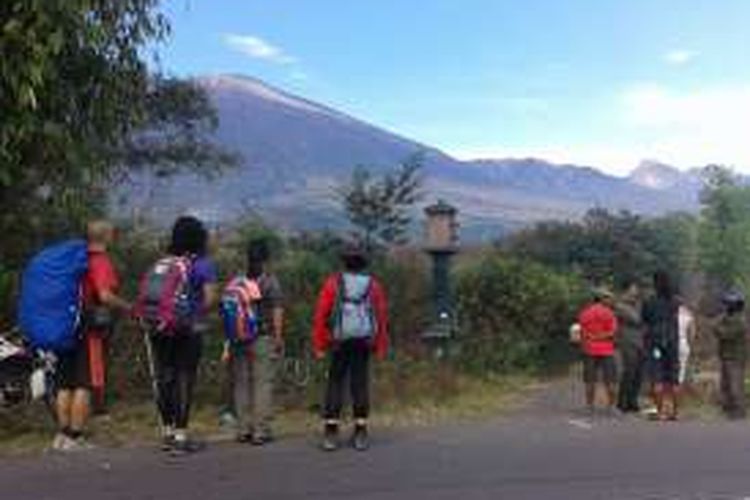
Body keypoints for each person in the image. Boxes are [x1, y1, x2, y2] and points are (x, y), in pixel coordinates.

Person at [53, 220, 131, 451]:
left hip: (66, 326)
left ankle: (62, 435)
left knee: (64, 382)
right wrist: (128, 306)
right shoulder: (100, 261)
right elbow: (105, 296)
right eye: (113, 233)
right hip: (89, 329)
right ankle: (75, 438)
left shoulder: (74, 259)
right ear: (107, 236)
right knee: (85, 382)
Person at [149, 216, 218, 454]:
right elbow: (209, 299)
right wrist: (194, 312)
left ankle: (167, 432)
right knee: (184, 378)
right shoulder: (203, 264)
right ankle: (181, 436)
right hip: (188, 328)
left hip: (159, 327)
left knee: (165, 376)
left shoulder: (165, 261)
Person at [312, 244, 389, 452]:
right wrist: (380, 345)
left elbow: (321, 315)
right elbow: (381, 317)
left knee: (335, 383)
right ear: (363, 264)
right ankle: (360, 431)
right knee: (359, 384)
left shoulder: (333, 283)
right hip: (363, 341)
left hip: (338, 341)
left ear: (344, 263)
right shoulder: (373, 286)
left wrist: (319, 344)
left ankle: (331, 432)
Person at [224, 238, 284, 445]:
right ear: (266, 258)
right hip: (262, 336)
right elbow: (277, 310)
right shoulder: (269, 281)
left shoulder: (237, 280)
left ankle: (243, 429)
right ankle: (261, 430)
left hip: (238, 338)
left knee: (241, 382)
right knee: (262, 383)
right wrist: (278, 336)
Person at [642, 271, 680, 421]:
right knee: (673, 378)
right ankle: (674, 413)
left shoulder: (649, 301)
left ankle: (660, 412)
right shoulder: (675, 301)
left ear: (654, 283)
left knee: (656, 376)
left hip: (655, 343)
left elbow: (644, 320)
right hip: (672, 342)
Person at [578, 288, 619, 415]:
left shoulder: (584, 313)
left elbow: (581, 332)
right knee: (610, 380)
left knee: (590, 380)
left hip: (589, 349)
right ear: (601, 299)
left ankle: (589, 406)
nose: (610, 300)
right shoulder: (609, 313)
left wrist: (592, 338)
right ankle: (611, 407)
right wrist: (601, 337)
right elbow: (613, 333)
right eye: (608, 298)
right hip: (606, 350)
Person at [714, 290, 747, 420]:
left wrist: (717, 325)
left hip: (736, 358)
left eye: (728, 304)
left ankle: (739, 411)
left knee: (735, 386)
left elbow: (725, 334)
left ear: (735, 305)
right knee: (726, 385)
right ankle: (730, 410)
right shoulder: (728, 319)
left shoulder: (739, 321)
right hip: (727, 356)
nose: (726, 307)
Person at [615, 282, 644, 413]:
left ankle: (633, 401)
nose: (636, 291)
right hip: (627, 342)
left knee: (639, 373)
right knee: (629, 372)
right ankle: (622, 402)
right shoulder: (620, 306)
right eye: (633, 289)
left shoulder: (638, 304)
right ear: (626, 291)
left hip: (640, 342)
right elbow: (636, 319)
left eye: (636, 289)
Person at [677, 299, 697, 387]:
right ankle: (679, 386)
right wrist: (691, 345)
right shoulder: (689, 316)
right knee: (682, 366)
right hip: (683, 341)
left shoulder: (672, 313)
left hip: (670, 341)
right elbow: (692, 333)